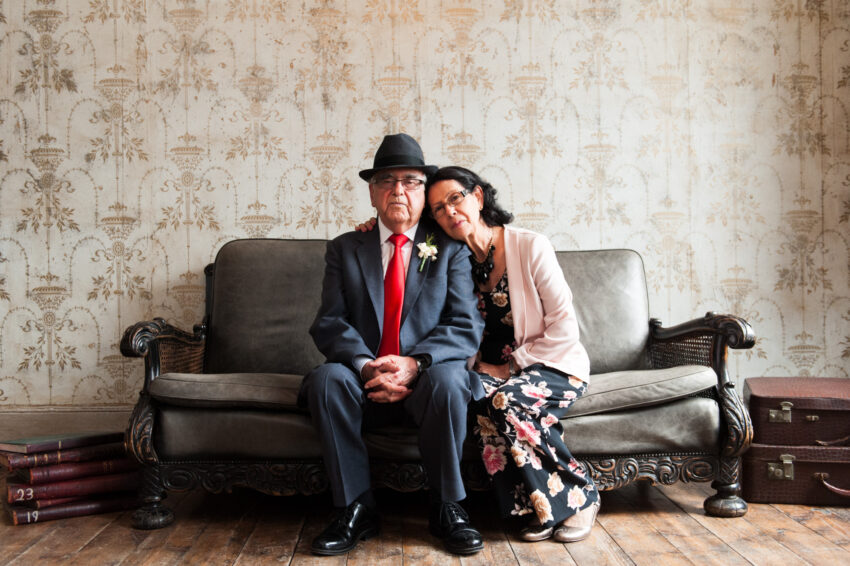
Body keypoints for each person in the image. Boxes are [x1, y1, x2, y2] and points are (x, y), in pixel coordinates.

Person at [299, 134, 486, 556]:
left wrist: (414, 364)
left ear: (423, 191)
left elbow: (465, 325)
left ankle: (447, 506)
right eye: (386, 181)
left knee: (451, 380)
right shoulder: (345, 249)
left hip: (427, 380)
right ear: (371, 192)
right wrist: (366, 365)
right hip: (362, 380)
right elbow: (329, 323)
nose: (397, 190)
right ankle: (356, 507)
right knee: (327, 380)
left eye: (410, 181)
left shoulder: (450, 250)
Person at [424, 166, 600, 542]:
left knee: (504, 400)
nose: (449, 212)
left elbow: (565, 326)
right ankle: (541, 506)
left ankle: (582, 496)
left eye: (455, 198)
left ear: (479, 197)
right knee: (472, 398)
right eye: (438, 208)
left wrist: (511, 367)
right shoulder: (454, 260)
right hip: (491, 369)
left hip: (553, 364)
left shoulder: (530, 245)